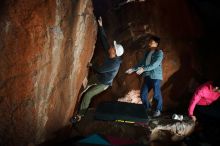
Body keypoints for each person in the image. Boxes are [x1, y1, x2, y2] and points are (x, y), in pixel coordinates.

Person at [70, 17, 124, 123]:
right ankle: (80, 100)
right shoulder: (112, 55)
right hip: (99, 77)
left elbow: (100, 70)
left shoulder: (114, 64)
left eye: (113, 47)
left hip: (103, 83)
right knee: (85, 89)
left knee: (88, 94)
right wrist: (101, 26)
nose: (111, 47)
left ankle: (80, 115)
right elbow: (104, 40)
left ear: (114, 52)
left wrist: (92, 65)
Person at [125, 36, 163, 117]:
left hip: (155, 76)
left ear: (156, 44)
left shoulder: (159, 53)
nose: (149, 44)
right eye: (149, 42)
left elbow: (155, 64)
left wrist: (143, 69)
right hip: (147, 76)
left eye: (151, 42)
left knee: (156, 94)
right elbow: (141, 63)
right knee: (143, 94)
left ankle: (158, 110)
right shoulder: (147, 53)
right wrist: (133, 69)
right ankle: (148, 109)